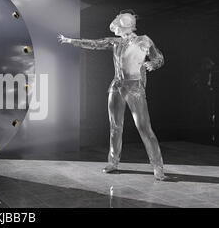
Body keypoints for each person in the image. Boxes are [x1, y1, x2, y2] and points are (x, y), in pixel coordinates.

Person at [58, 10, 168, 181]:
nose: (114, 29)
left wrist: (152, 64)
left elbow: (159, 58)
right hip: (116, 86)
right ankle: (113, 161)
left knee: (144, 128)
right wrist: (72, 41)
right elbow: (95, 43)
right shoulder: (116, 42)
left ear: (125, 27)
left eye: (118, 26)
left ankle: (157, 167)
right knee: (115, 127)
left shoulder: (144, 40)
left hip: (135, 88)